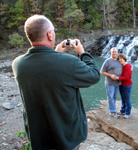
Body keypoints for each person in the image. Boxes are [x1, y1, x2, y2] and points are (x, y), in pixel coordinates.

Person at [12, 15, 100, 150]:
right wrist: (82, 53)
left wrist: (55, 52)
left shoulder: (18, 64)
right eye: (54, 30)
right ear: (50, 35)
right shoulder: (68, 62)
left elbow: (45, 70)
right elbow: (94, 75)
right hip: (67, 139)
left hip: (39, 138)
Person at [100, 47, 122, 118]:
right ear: (111, 53)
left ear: (117, 52)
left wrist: (130, 67)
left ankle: (113, 110)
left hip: (117, 83)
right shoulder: (107, 61)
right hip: (110, 83)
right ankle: (112, 112)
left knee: (114, 97)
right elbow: (102, 71)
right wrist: (110, 75)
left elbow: (125, 65)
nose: (114, 53)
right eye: (113, 52)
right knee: (111, 97)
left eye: (115, 52)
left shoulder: (119, 60)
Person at [111, 54, 133, 119]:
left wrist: (117, 78)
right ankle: (122, 110)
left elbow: (126, 78)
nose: (120, 60)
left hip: (127, 85)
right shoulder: (122, 66)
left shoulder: (127, 66)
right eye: (119, 59)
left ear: (124, 59)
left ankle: (127, 113)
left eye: (121, 58)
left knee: (127, 99)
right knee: (123, 99)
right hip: (121, 85)